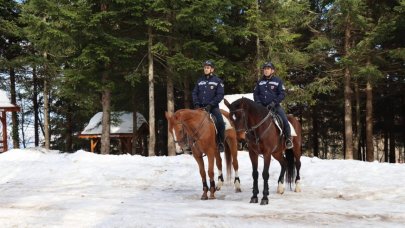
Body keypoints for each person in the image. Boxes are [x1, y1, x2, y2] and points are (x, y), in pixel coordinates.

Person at [253, 61, 293, 149]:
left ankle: (288, 139)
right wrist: (258, 103)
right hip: (261, 107)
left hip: (275, 106)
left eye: (268, 69)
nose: (266, 71)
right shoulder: (259, 82)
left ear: (272, 71)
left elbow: (282, 94)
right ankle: (250, 140)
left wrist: (274, 102)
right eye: (264, 69)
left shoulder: (278, 81)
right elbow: (255, 94)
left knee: (284, 120)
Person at [192, 60, 225, 152]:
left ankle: (220, 142)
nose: (206, 69)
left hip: (213, 108)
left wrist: (211, 105)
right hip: (200, 107)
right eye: (205, 67)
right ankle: (193, 142)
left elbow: (220, 95)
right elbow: (194, 93)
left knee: (221, 123)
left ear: (212, 69)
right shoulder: (199, 81)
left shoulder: (218, 81)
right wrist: (196, 103)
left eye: (208, 68)